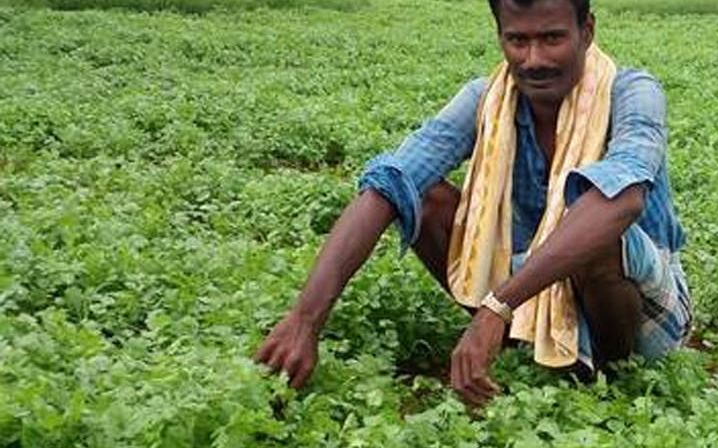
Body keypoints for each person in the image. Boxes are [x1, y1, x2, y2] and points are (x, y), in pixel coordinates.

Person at [255, 0, 690, 406]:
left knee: (596, 229)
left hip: (638, 309)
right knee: (419, 196)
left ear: (587, 30)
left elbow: (623, 200)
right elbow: (392, 181)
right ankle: (512, 338)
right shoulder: (488, 99)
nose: (534, 60)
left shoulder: (632, 92)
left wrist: (495, 307)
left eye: (552, 39)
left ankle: (610, 381)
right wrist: (305, 320)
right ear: (500, 36)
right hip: (524, 288)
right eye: (517, 41)